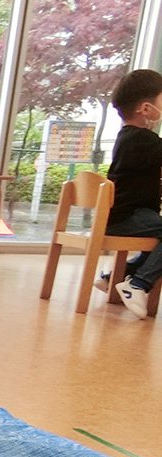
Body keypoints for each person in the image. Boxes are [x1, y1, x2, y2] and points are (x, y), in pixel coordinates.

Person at [98, 68, 162, 319]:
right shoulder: (142, 140)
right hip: (128, 217)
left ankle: (115, 276)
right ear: (145, 109)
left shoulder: (129, 138)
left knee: (155, 238)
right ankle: (138, 285)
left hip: (125, 215)